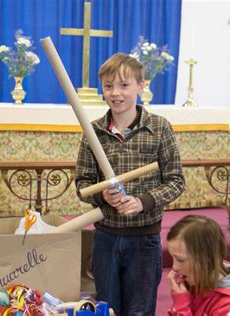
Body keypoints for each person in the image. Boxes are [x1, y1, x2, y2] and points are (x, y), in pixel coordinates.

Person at [75, 53, 185, 316]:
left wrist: (142, 202)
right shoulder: (94, 131)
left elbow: (176, 181)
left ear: (140, 86)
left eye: (124, 85)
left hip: (144, 240)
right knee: (107, 308)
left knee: (140, 310)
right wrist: (103, 196)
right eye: (109, 86)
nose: (116, 93)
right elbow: (82, 183)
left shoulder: (159, 128)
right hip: (106, 238)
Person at [166, 215, 230, 316]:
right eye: (172, 257)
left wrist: (181, 305)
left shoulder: (229, 306)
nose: (174, 267)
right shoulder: (197, 281)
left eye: (180, 260)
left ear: (206, 258)